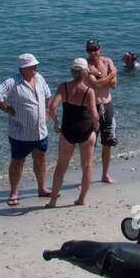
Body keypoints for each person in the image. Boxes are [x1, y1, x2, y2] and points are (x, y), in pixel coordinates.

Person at [0, 53, 54, 205]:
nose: (36, 67)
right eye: (33, 66)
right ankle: (14, 193)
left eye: (36, 65)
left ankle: (42, 188)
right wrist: (7, 109)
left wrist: (47, 113)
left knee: (41, 160)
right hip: (20, 133)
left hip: (40, 132)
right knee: (18, 162)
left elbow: (48, 96)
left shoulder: (39, 78)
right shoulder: (13, 82)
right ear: (24, 68)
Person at [45, 59, 99, 207]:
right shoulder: (89, 91)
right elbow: (94, 114)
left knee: (61, 166)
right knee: (87, 165)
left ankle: (53, 200)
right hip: (85, 129)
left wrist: (56, 122)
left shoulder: (64, 87)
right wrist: (96, 124)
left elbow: (52, 108)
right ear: (85, 73)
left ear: (72, 72)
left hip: (68, 129)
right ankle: (82, 198)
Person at [84, 39, 119, 185]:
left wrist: (101, 75)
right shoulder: (85, 65)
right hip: (92, 108)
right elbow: (96, 84)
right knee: (88, 144)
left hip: (107, 105)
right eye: (89, 50)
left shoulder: (107, 61)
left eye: (95, 49)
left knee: (108, 143)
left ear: (100, 48)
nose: (92, 53)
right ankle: (85, 178)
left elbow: (113, 85)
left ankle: (105, 174)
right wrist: (110, 74)